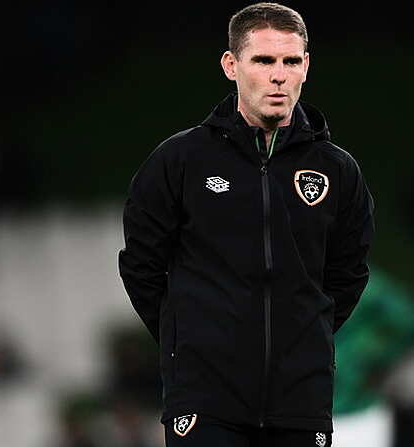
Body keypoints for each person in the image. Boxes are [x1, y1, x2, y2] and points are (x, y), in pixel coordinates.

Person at [118, 3, 375, 446]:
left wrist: (302, 337)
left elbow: (347, 275)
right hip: (205, 401)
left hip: (301, 403)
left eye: (290, 61)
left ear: (306, 66)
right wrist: (188, 340)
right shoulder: (179, 162)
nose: (279, 75)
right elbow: (140, 265)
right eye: (263, 60)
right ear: (231, 65)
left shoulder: (338, 172)